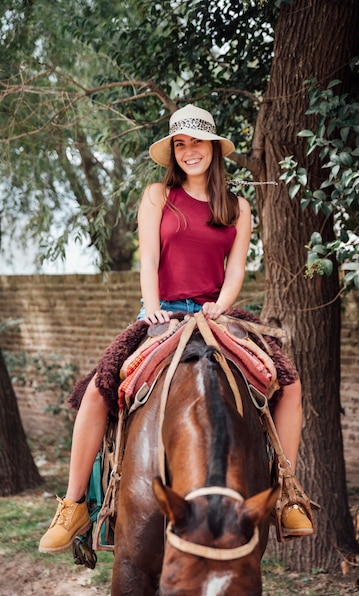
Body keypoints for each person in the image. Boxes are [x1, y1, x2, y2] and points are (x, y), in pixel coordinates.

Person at [39, 104, 312, 554]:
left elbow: (236, 269)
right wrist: (151, 309)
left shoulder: (237, 207)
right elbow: (148, 259)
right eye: (180, 144)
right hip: (162, 312)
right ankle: (73, 506)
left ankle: (287, 494)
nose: (189, 151)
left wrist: (218, 310)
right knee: (96, 390)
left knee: (289, 383)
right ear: (173, 152)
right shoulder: (156, 196)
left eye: (196, 142)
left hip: (216, 314)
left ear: (213, 147)